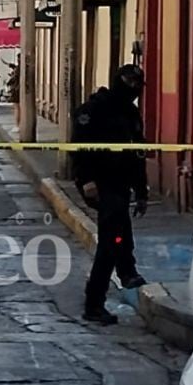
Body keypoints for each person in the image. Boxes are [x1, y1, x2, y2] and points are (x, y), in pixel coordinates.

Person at [72, 64, 149, 326]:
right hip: (99, 183)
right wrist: (87, 180)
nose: (134, 89)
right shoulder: (95, 109)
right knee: (111, 240)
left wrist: (141, 192)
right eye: (130, 82)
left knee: (120, 231)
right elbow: (78, 148)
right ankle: (94, 303)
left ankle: (127, 271)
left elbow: (138, 154)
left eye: (138, 84)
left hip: (121, 183)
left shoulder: (131, 113)